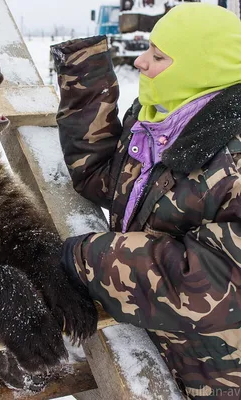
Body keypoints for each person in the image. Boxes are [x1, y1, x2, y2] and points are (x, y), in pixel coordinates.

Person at [51, 3, 241, 399]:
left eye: (157, 56)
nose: (139, 61)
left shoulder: (234, 159)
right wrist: (83, 72)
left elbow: (211, 280)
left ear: (201, 68)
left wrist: (84, 259)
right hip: (167, 353)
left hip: (219, 378)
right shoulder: (164, 119)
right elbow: (105, 180)